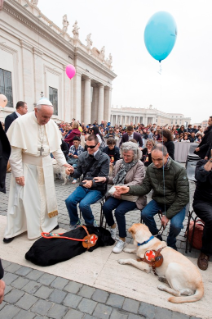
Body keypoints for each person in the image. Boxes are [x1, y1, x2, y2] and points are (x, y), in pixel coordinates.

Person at [4, 98, 71, 243]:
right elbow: (15, 154)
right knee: (23, 199)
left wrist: (64, 164)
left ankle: (49, 224)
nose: (47, 120)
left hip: (46, 166)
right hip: (28, 168)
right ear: (36, 111)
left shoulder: (51, 124)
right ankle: (16, 229)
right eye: (44, 117)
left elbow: (56, 149)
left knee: (46, 198)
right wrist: (18, 174)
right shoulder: (20, 123)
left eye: (49, 117)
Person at [115, 144, 189, 250]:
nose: (156, 163)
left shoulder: (179, 169)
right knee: (145, 213)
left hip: (176, 202)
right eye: (153, 159)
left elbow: (183, 196)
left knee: (176, 226)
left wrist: (167, 215)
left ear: (167, 155)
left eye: (159, 159)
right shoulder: (150, 168)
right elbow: (145, 188)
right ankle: (155, 235)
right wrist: (129, 189)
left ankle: (171, 242)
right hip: (159, 199)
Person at [94, 142, 146, 253]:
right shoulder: (119, 162)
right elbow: (114, 179)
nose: (125, 158)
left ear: (135, 155)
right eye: (124, 155)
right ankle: (113, 227)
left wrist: (121, 189)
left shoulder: (139, 165)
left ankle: (122, 239)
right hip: (118, 193)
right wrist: (105, 179)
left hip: (132, 195)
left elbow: (137, 182)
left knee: (119, 211)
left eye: (128, 156)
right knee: (106, 207)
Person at [65, 135, 110, 229]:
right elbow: (78, 173)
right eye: (87, 146)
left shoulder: (105, 158)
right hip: (84, 186)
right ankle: (75, 223)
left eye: (91, 147)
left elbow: (103, 177)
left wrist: (92, 183)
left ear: (98, 145)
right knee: (69, 200)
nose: (89, 149)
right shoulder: (82, 156)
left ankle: (91, 224)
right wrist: (72, 171)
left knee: (83, 204)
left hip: (97, 188)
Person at [193, 151, 212, 270]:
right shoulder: (202, 163)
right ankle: (205, 253)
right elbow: (200, 176)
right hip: (202, 202)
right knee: (211, 219)